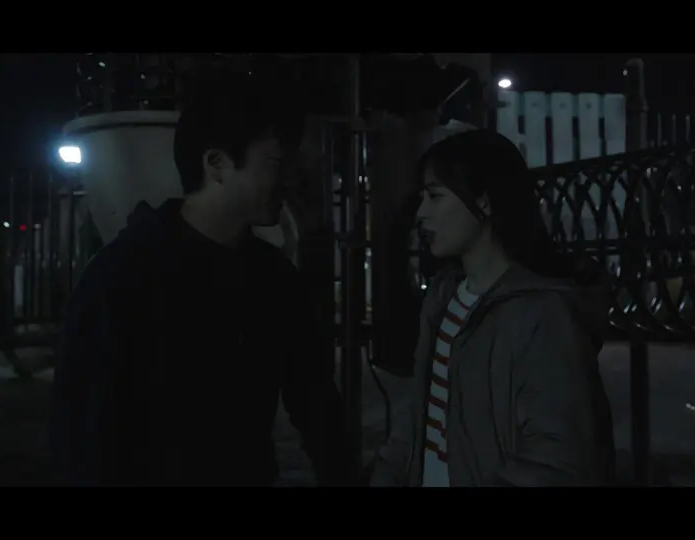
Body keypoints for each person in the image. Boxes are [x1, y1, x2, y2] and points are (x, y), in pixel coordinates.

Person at [51, 74, 356, 486]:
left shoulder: (274, 278)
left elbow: (314, 401)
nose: (291, 180)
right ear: (216, 163)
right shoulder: (122, 276)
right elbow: (82, 434)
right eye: (276, 163)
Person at [370, 129, 616, 487]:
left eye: (435, 196)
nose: (421, 213)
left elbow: (556, 458)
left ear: (484, 202)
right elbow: (419, 416)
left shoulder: (542, 314)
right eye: (422, 197)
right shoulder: (443, 298)